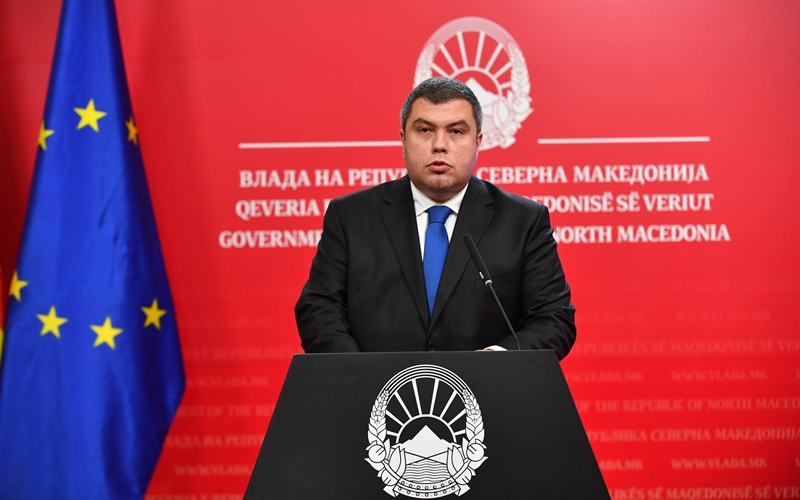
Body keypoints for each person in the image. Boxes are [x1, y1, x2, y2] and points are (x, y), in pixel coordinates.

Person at [295, 77, 575, 359]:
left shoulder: (523, 222)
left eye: (456, 131)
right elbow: (319, 309)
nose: (440, 145)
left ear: (478, 142)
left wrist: (494, 363)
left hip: (486, 386)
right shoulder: (350, 217)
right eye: (425, 130)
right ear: (403, 139)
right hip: (372, 387)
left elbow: (553, 319)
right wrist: (359, 372)